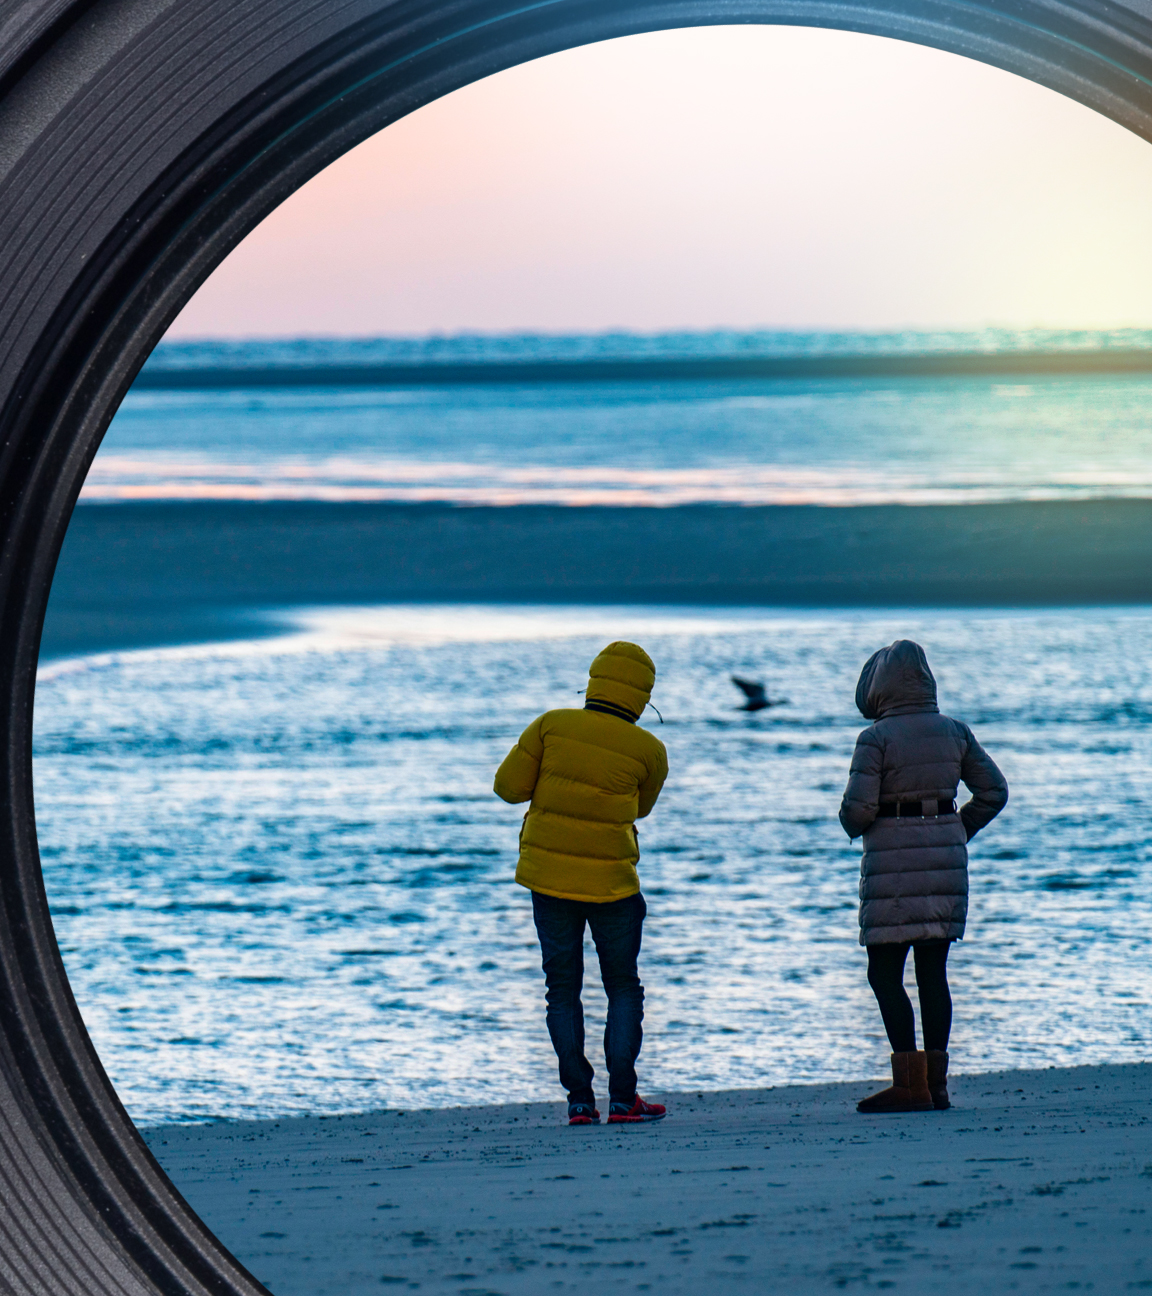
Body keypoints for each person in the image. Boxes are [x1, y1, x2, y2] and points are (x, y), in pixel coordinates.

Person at [494, 641, 669, 1126]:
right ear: (642, 695)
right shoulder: (650, 750)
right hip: (614, 883)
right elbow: (641, 810)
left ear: (593, 680)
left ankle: (578, 1102)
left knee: (562, 989)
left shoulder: (552, 725)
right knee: (623, 987)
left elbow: (507, 788)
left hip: (549, 881)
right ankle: (623, 1099)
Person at [839, 639, 1008, 1114]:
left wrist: (850, 823)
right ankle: (936, 1086)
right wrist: (956, 831)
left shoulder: (875, 738)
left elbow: (858, 811)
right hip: (945, 860)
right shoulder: (955, 731)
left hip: (891, 864)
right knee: (933, 973)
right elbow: (994, 791)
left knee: (884, 973)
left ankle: (907, 1082)